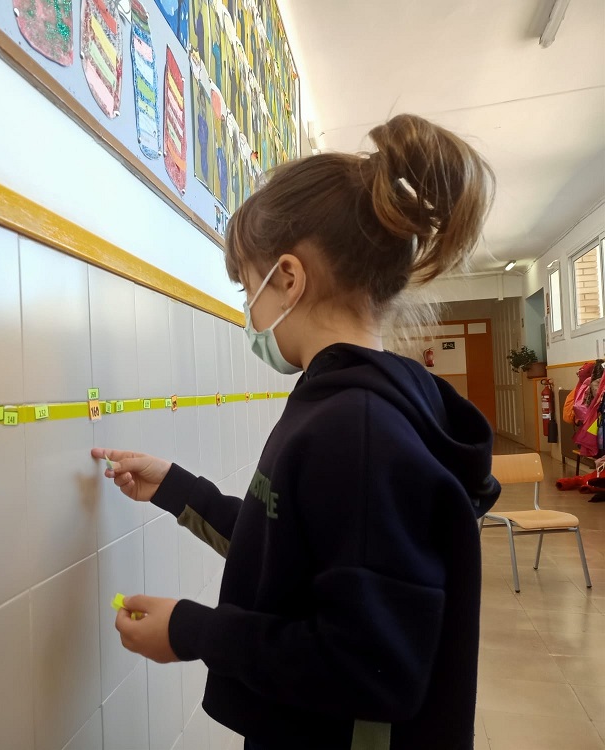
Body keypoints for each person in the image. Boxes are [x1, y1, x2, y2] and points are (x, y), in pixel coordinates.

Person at [91, 113, 501, 750]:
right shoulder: (340, 401)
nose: (247, 309)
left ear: (287, 277)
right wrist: (177, 488)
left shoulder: (357, 429)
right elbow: (293, 546)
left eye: (246, 286)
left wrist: (193, 631)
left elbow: (371, 666)